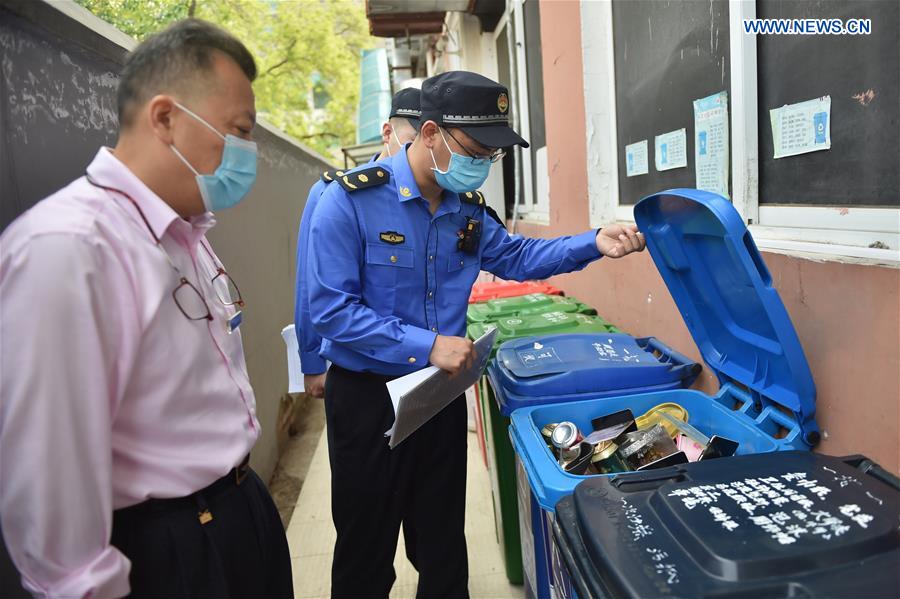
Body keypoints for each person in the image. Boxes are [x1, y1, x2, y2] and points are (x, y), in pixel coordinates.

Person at [305, 70, 646, 598]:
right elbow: (330, 311)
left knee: (443, 546)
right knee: (365, 550)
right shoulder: (348, 201)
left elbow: (519, 255)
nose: (484, 163)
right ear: (431, 133)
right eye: (477, 148)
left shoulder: (466, 211)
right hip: (367, 401)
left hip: (436, 399)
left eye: (494, 153)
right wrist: (428, 344)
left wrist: (592, 242)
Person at [0, 19, 291, 599]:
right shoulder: (69, 249)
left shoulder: (183, 233)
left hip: (238, 514)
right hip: (171, 551)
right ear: (165, 118)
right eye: (238, 131)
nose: (247, 153)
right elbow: (50, 489)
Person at [294, 88, 421, 399]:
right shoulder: (338, 195)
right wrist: (311, 362)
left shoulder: (432, 199)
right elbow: (309, 287)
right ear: (387, 133)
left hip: (423, 369)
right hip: (361, 372)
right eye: (410, 142)